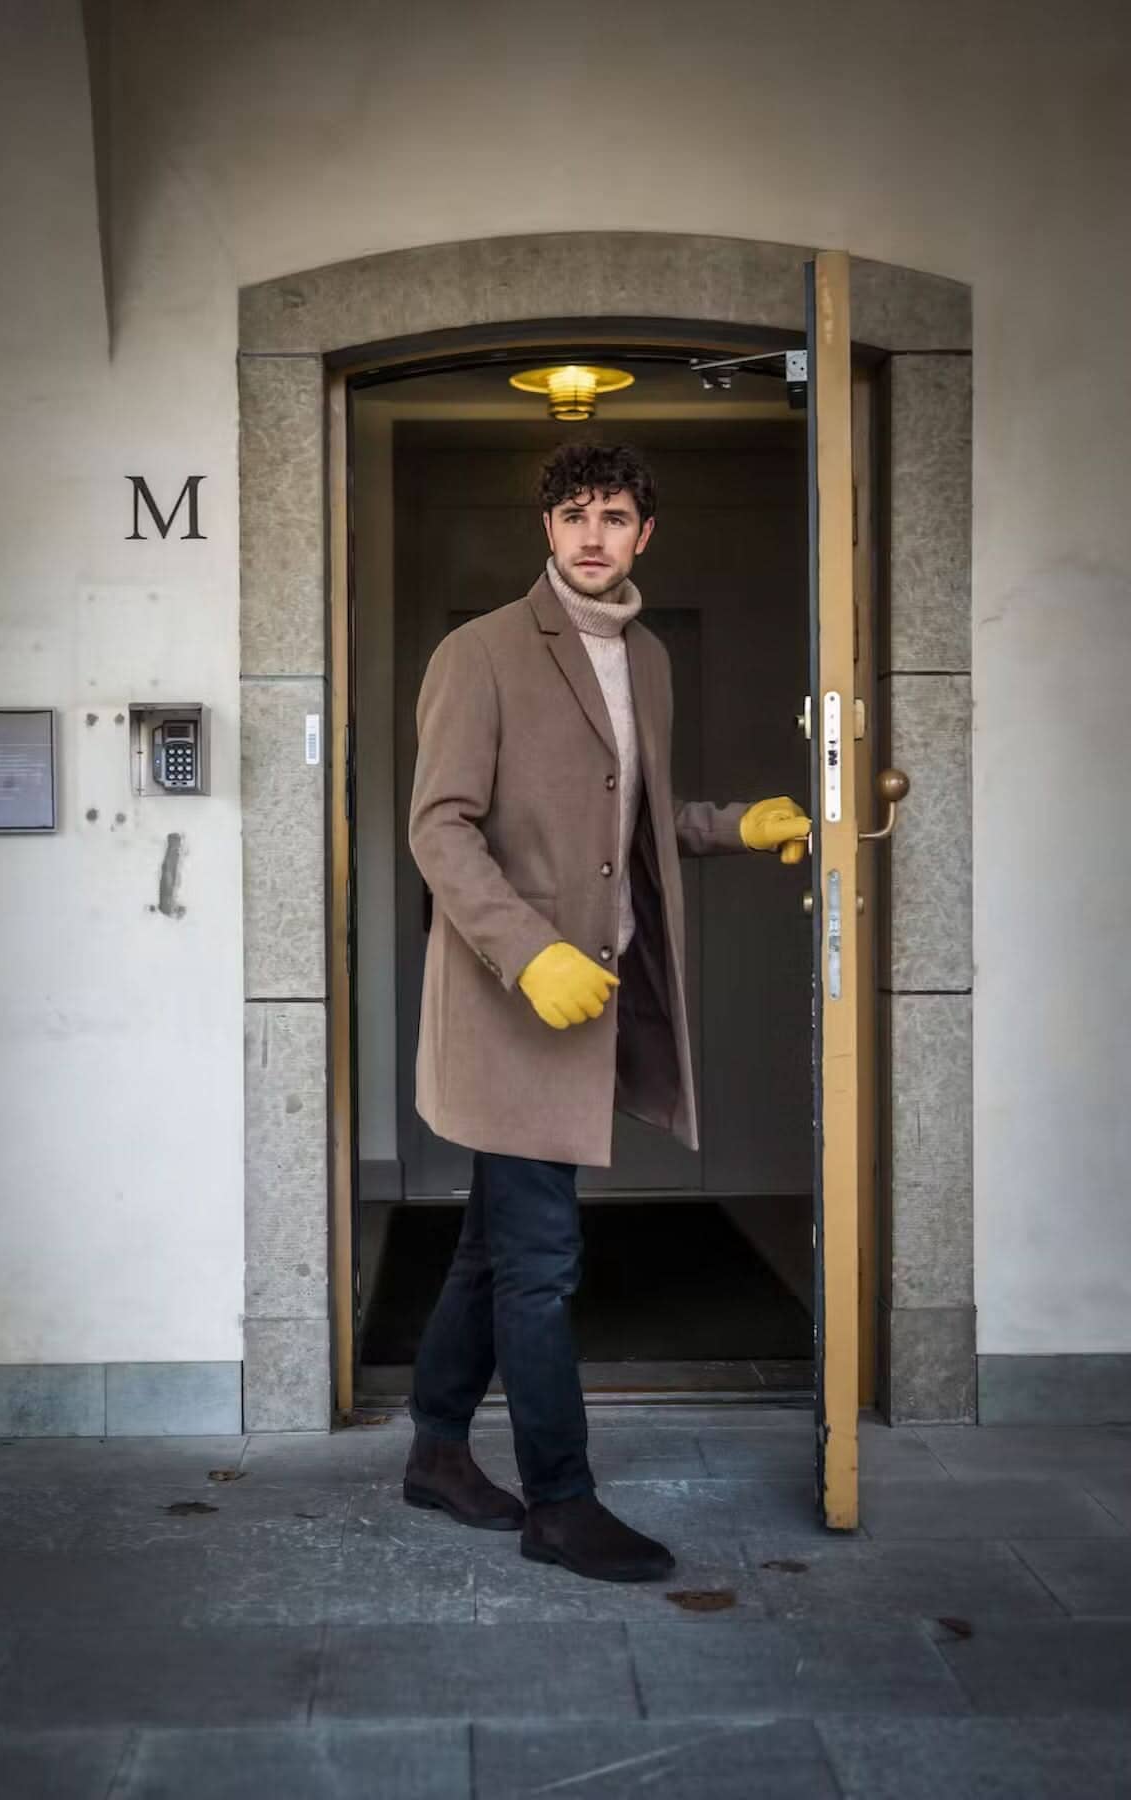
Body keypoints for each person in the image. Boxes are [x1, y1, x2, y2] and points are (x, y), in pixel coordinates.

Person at [402, 441, 811, 1581]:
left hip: (597, 998)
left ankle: (436, 1450)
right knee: (539, 1261)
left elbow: (632, 819)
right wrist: (528, 953)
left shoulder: (650, 659)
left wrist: (737, 826)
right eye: (574, 513)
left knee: (495, 1246)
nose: (593, 534)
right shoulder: (480, 651)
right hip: (513, 1007)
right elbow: (439, 827)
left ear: (645, 535)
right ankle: (561, 1503)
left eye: (615, 515)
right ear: (547, 529)